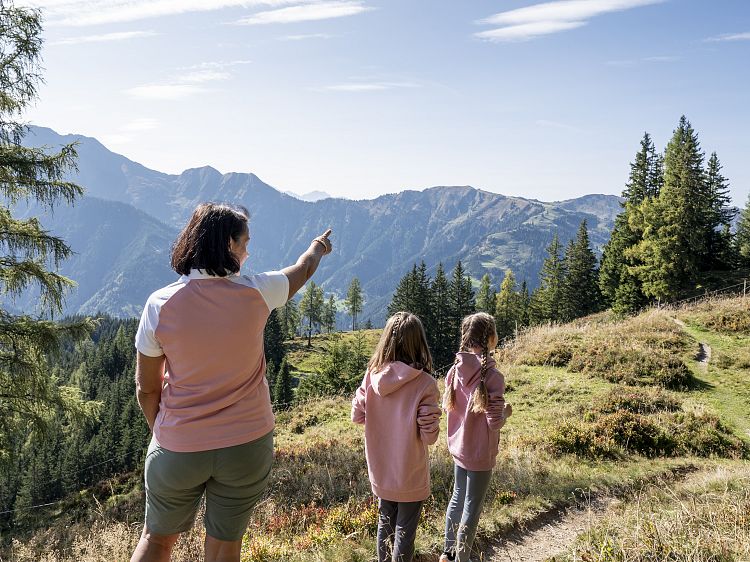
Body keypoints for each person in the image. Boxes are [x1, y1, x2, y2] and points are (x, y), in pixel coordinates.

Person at [130, 202, 332, 562]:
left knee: (158, 541)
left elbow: (146, 388)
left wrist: (166, 432)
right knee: (224, 546)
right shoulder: (258, 291)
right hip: (246, 444)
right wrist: (317, 247)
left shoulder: (159, 305)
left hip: (179, 446)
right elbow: (303, 269)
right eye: (244, 243)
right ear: (228, 245)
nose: (249, 251)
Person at [351, 312, 441, 562]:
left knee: (385, 524)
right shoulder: (425, 384)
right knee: (405, 533)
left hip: (380, 469)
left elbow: (357, 415)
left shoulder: (372, 375)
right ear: (419, 342)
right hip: (409, 473)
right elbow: (430, 436)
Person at [439, 312, 512, 562]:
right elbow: (494, 422)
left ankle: (448, 554)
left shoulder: (453, 372)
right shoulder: (494, 377)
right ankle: (462, 557)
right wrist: (506, 412)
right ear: (491, 338)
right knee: (472, 505)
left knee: (457, 498)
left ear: (466, 338)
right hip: (480, 453)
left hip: (458, 448)